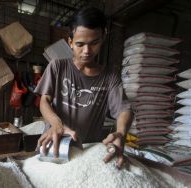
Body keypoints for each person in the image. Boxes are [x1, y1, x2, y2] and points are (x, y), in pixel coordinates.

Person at [34, 6, 133, 169]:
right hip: (53, 147)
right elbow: (44, 100)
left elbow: (124, 109)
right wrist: (56, 124)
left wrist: (121, 133)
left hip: (84, 155)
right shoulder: (58, 67)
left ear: (103, 38)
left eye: (94, 43)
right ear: (70, 42)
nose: (87, 51)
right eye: (80, 44)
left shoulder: (109, 77)